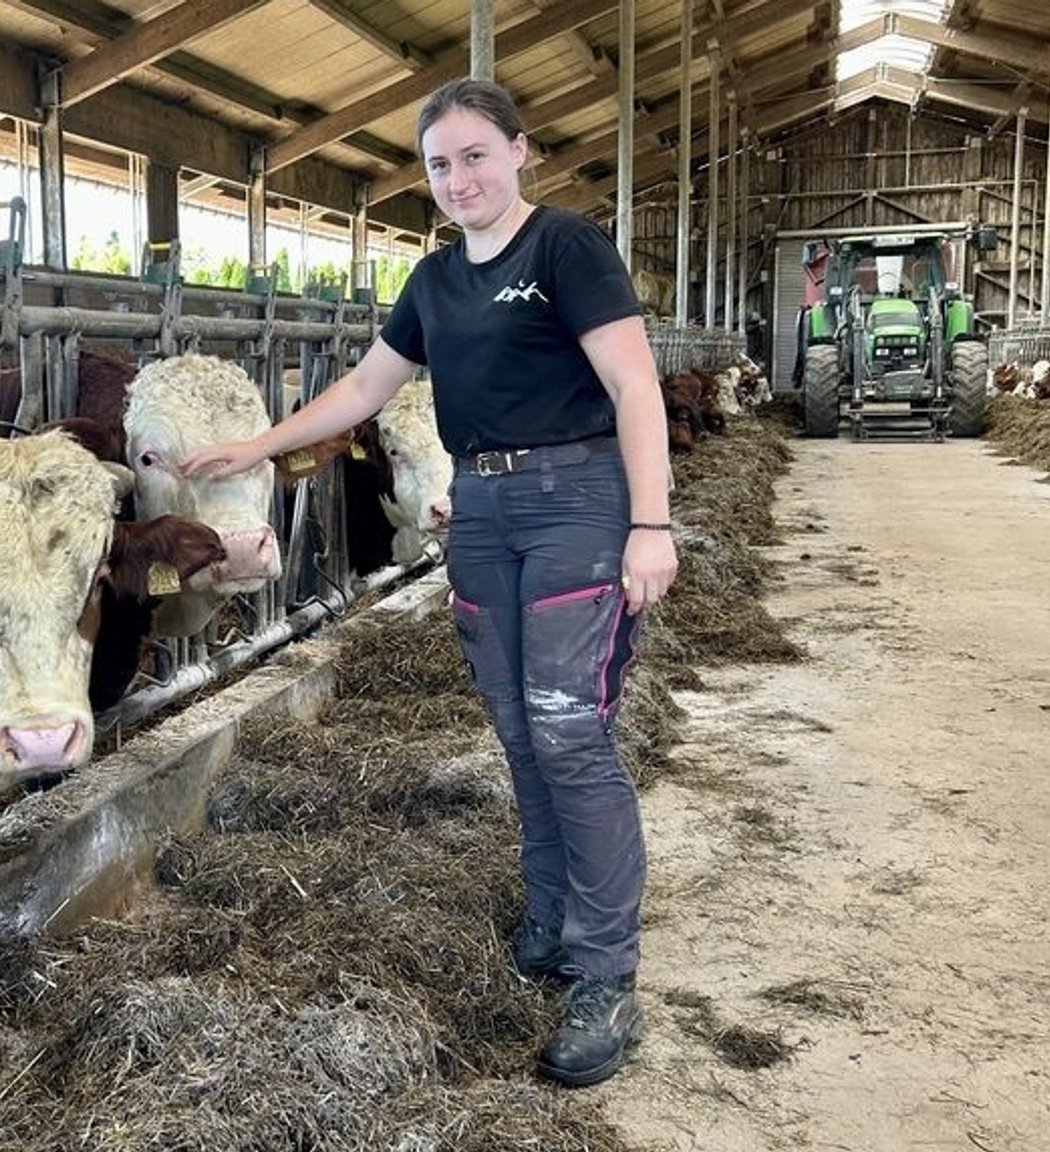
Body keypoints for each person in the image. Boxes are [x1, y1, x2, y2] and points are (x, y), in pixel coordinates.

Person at [179, 77, 678, 1088]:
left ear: (518, 151)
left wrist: (650, 525)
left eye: (474, 157)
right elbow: (368, 388)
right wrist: (256, 447)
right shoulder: (434, 281)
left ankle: (603, 971)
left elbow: (632, 385)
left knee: (567, 726)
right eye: (440, 166)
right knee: (514, 723)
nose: (458, 181)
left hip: (575, 499)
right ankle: (547, 916)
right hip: (481, 510)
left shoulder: (565, 250)